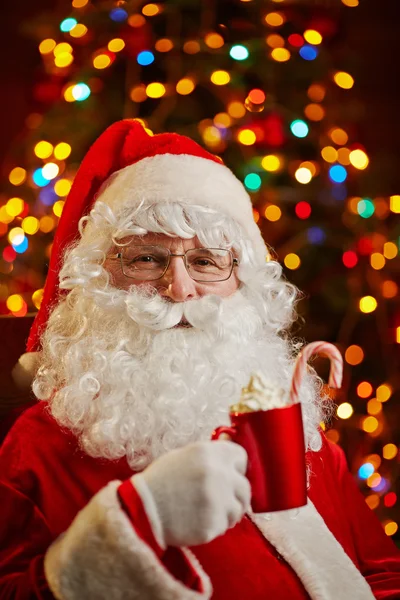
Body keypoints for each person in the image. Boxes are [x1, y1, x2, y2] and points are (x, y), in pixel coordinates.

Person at [0, 120, 399, 600]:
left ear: (242, 281)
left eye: (206, 262)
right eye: (146, 259)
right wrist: (135, 523)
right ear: (97, 278)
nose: (180, 290)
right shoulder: (38, 447)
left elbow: (382, 573)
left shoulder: (298, 432)